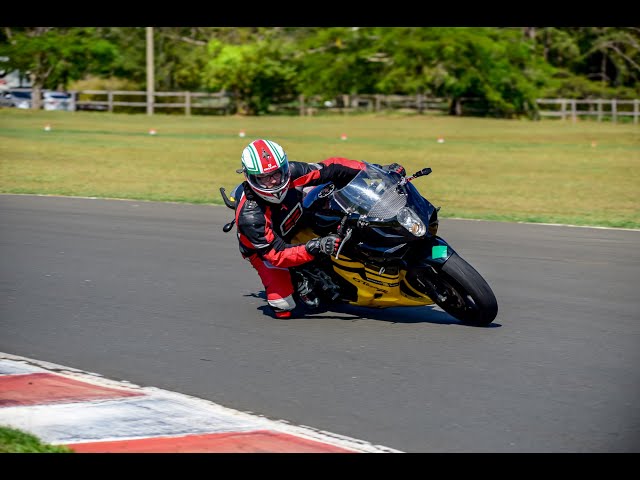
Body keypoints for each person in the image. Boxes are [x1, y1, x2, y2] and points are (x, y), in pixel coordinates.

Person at [234, 138, 405, 319]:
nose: (274, 181)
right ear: (250, 177)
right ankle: (298, 277)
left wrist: (376, 171)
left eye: (277, 173)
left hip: (298, 219)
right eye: (263, 177)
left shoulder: (293, 173)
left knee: (336, 200)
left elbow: (333, 167)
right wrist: (315, 246)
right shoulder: (250, 216)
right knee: (283, 306)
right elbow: (276, 254)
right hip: (267, 251)